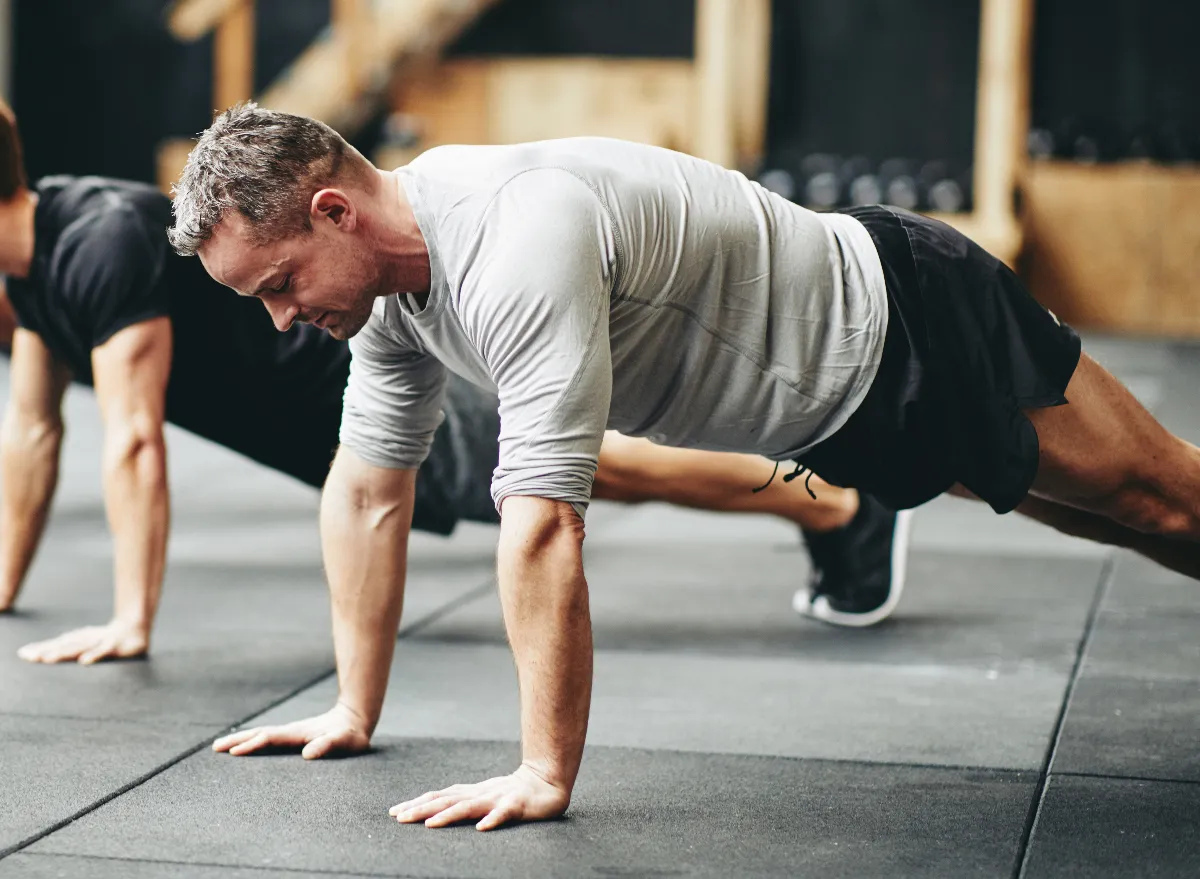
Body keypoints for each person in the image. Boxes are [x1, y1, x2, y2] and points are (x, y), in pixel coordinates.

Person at [174, 104, 1200, 833]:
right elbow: (366, 489)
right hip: (834, 420)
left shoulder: (514, 236)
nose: (281, 319)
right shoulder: (389, 301)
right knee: (1101, 518)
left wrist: (542, 771)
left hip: (910, 321)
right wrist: (354, 710)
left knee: (1162, 500)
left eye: (278, 285)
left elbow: (542, 522)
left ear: (333, 212)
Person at [0, 103, 894, 668]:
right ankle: (834, 506)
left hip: (359, 368)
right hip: (313, 411)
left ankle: (838, 509)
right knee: (590, 471)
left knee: (598, 471)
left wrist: (129, 620)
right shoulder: (35, 272)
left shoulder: (98, 242)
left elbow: (133, 437)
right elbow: (34, 433)